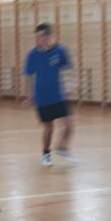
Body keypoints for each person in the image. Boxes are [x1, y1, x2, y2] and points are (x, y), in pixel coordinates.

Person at [23, 22, 75, 167]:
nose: (38, 39)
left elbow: (68, 69)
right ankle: (46, 154)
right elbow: (28, 76)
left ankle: (62, 147)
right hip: (42, 97)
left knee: (69, 124)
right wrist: (29, 95)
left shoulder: (60, 51)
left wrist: (70, 85)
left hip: (58, 95)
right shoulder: (33, 54)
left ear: (49, 36)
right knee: (49, 127)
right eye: (36, 37)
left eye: (41, 36)